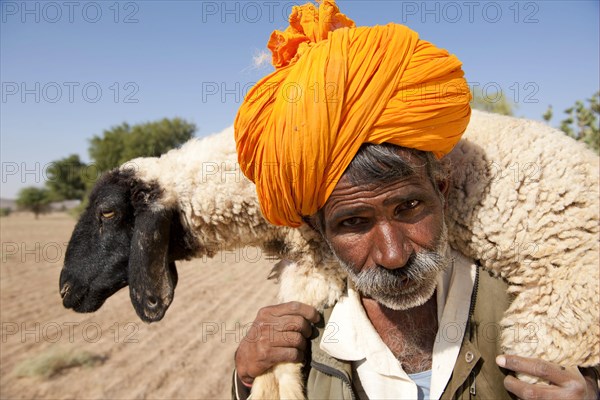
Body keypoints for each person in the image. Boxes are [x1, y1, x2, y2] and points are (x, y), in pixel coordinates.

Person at [231, 1, 600, 399]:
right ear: (317, 229)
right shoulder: (303, 341)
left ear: (441, 189)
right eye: (354, 222)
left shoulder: (529, 306)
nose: (394, 255)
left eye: (408, 208)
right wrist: (248, 379)